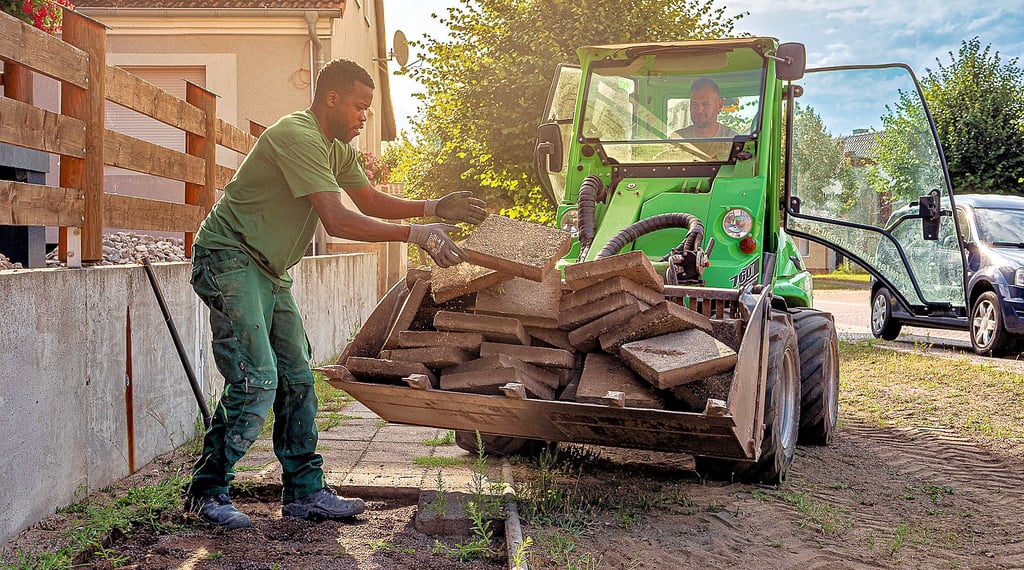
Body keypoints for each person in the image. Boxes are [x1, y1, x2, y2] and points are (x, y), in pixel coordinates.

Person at [184, 58, 487, 529]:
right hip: (230, 258)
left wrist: (432, 207)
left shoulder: (336, 148)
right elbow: (338, 219)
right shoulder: (298, 135)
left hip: (268, 270)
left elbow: (368, 200)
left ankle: (304, 492)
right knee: (256, 379)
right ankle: (206, 491)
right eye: (359, 106)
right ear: (331, 99)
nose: (364, 116)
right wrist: (417, 234)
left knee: (298, 378)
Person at [673, 77, 739, 139]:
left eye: (705, 104)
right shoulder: (677, 139)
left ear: (719, 105)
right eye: (694, 104)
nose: (699, 110)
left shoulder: (733, 139)